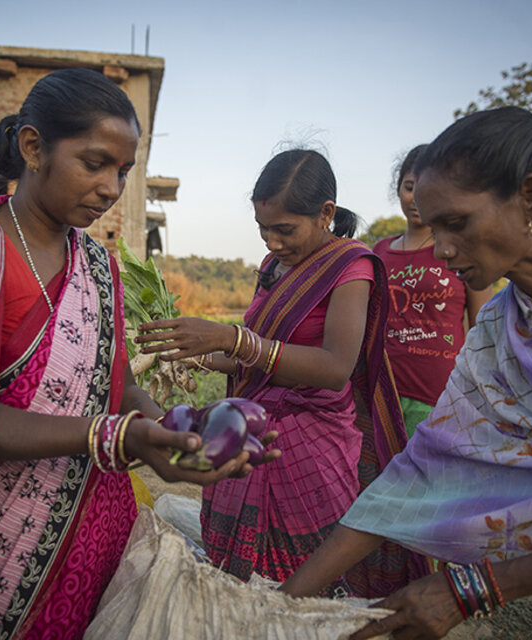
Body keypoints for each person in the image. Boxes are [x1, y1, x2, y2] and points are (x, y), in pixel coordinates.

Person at [281, 106, 532, 640]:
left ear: (530, 199)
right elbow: (425, 463)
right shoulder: (502, 325)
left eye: (457, 224)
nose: (443, 250)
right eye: (434, 227)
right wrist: (279, 606)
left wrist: (472, 588)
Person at [0, 68, 272, 640]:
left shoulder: (98, 268)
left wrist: (172, 428)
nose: (111, 188)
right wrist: (118, 438)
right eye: (94, 163)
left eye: (122, 172)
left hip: (87, 539)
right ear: (33, 147)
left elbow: (113, 380)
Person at [136, 149, 429, 596]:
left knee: (303, 583)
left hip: (313, 444)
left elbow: (335, 368)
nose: (271, 241)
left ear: (325, 213)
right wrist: (191, 354)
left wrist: (232, 338)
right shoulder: (274, 267)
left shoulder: (352, 266)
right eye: (263, 228)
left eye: (284, 229)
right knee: (239, 589)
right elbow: (254, 358)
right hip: (250, 429)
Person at [371, 145, 492, 437]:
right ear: (398, 189)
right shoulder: (379, 252)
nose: (416, 199)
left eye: (426, 188)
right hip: (381, 394)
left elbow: (484, 329)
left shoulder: (462, 250)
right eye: (410, 187)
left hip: (444, 396)